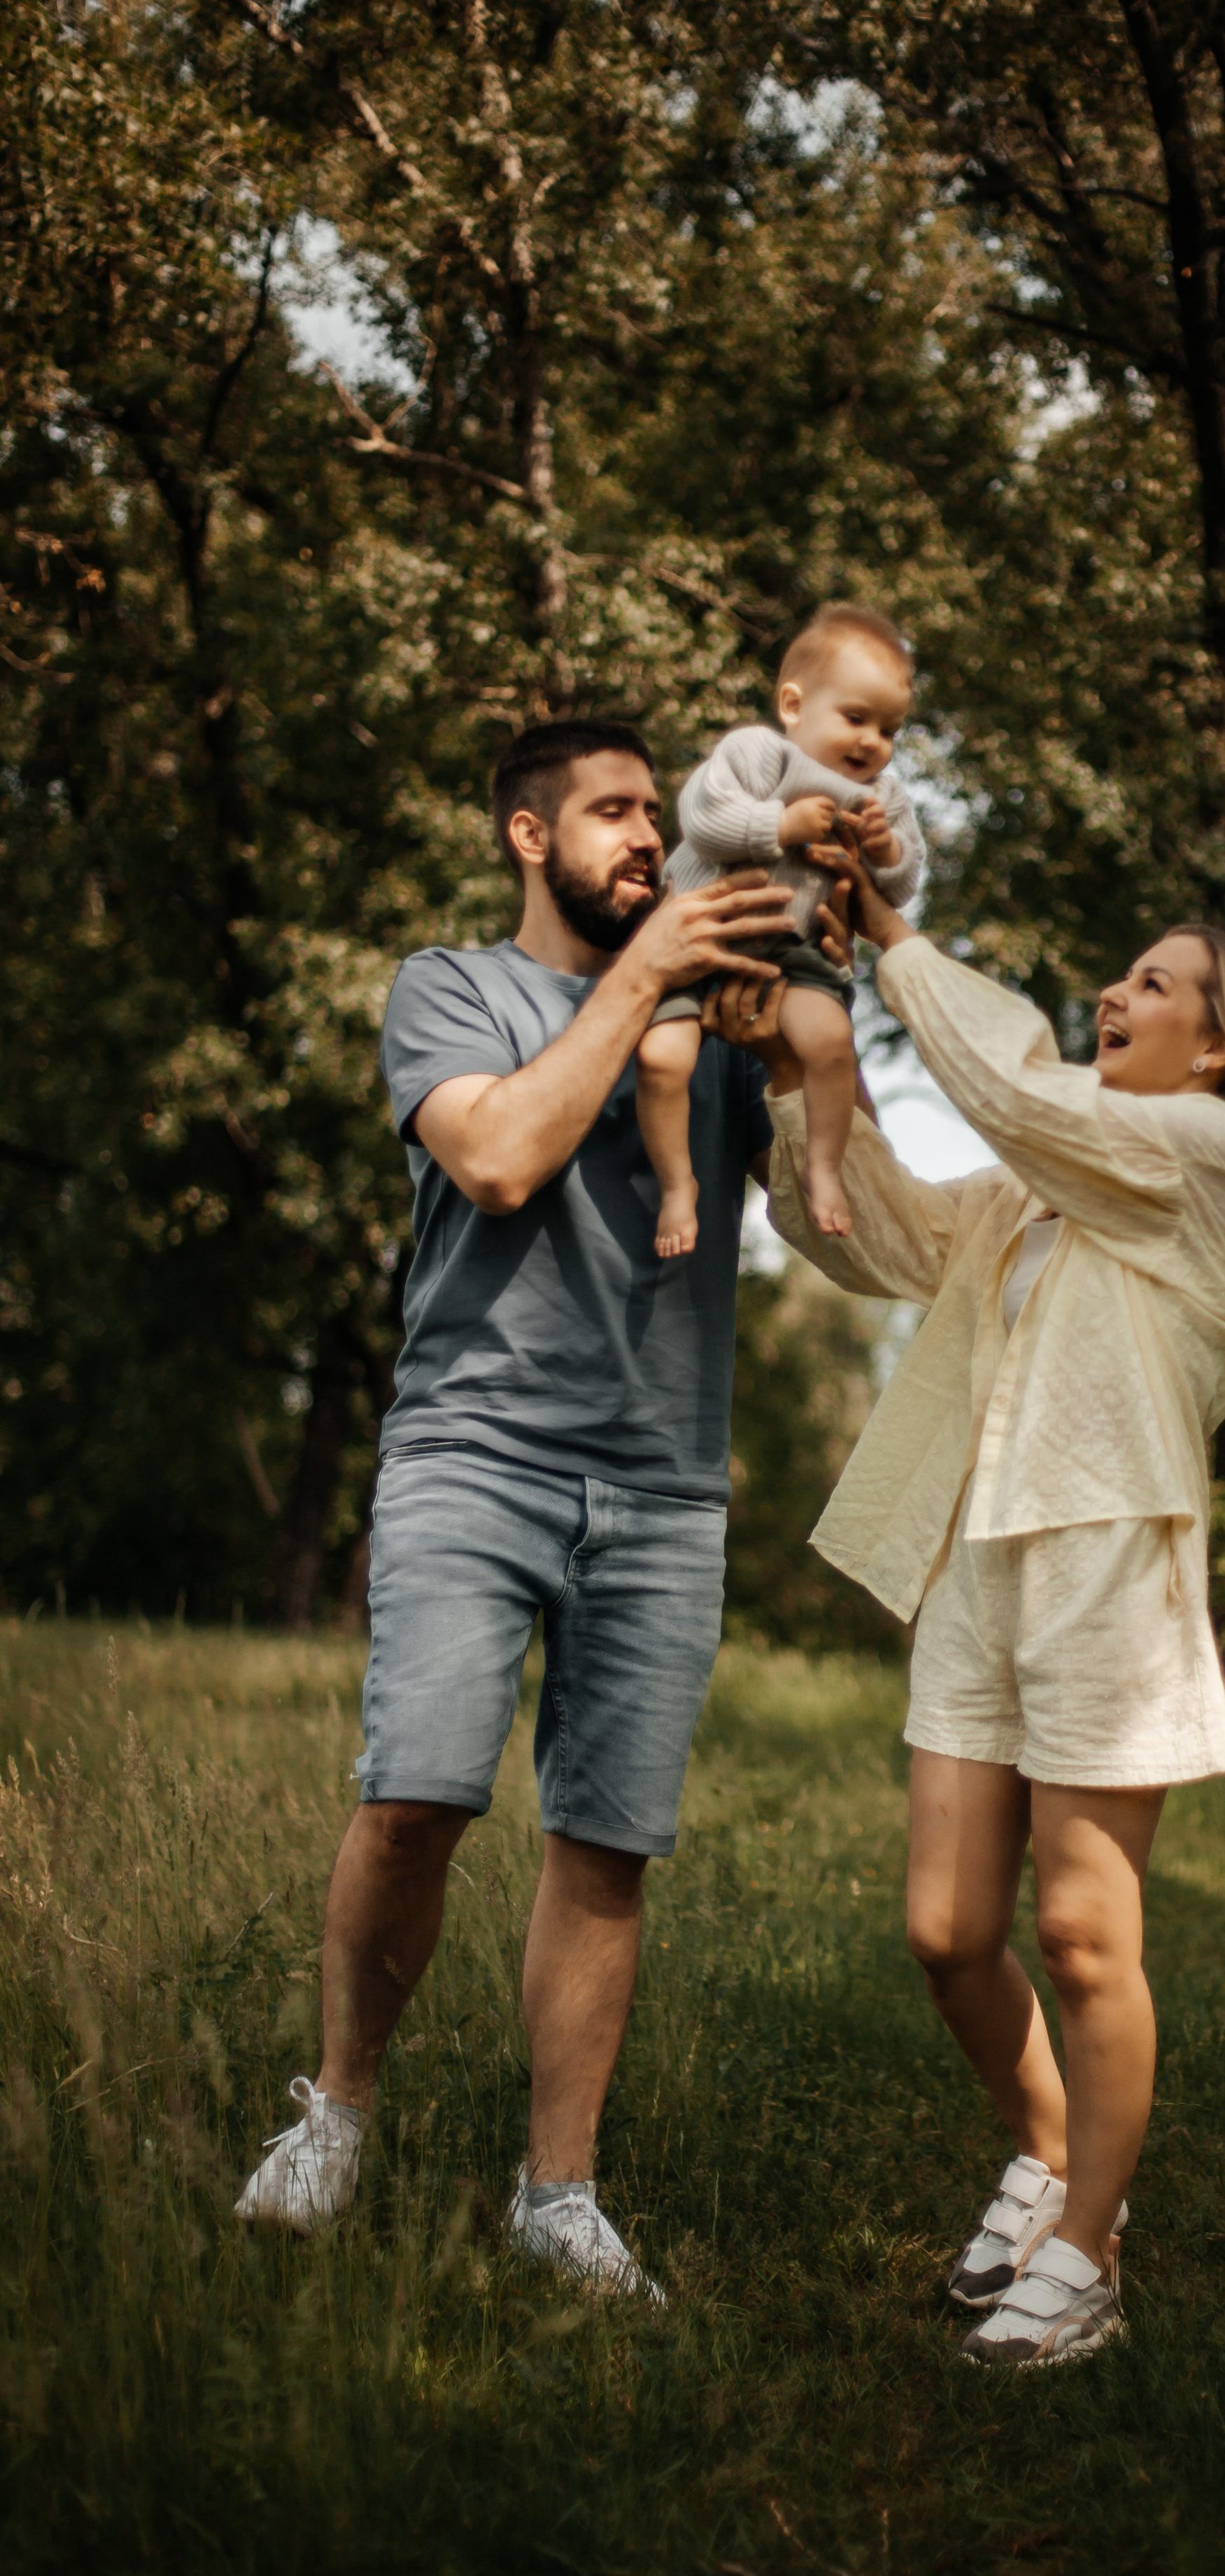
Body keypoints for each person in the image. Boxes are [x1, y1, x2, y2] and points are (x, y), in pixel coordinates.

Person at [234, 718, 823, 2291]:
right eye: (614, 814)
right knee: (417, 1793)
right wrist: (644, 983)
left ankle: (555, 2193)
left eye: (657, 813)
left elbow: (822, 1224)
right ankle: (336, 2114)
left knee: (604, 1843)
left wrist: (808, 1055)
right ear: (526, 835)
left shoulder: (706, 1018)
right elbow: (497, 1159)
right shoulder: (450, 988)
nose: (649, 837)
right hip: (472, 1450)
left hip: (665, 1476)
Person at [721, 874, 1225, 2365]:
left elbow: (1010, 1089)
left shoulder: (1212, 1155)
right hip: (981, 1571)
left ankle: (1091, 2252)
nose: (1114, 998)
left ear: (1223, 1048)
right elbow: (871, 1235)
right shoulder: (1037, 1190)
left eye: (1152, 985)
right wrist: (796, 1075)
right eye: (1118, 979)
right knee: (945, 1930)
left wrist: (902, 945)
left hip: (1112, 1566)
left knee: (1080, 1933)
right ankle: (1047, 2156)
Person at [634, 604, 923, 1257]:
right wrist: (779, 828)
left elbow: (903, 884)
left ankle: (823, 1170)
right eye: (856, 718)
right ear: (794, 705)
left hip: (789, 953)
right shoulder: (760, 753)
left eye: (890, 730)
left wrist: (885, 852)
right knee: (662, 1058)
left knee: (830, 1043)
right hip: (695, 938)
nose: (873, 742)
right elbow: (705, 816)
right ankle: (678, 1186)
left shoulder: (884, 796)